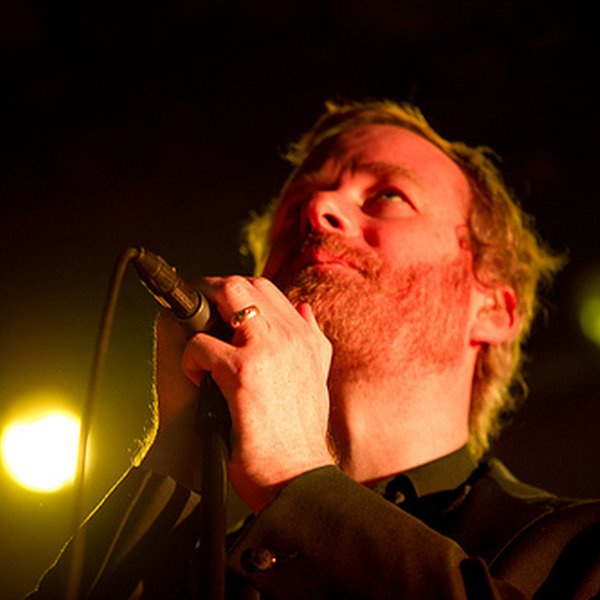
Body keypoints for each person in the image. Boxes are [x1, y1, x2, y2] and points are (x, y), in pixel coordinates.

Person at [29, 100, 600, 599]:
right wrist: (177, 452)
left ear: (493, 309)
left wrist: (294, 481)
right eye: (296, 201)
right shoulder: (210, 571)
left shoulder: (576, 549)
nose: (319, 205)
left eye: (388, 195)